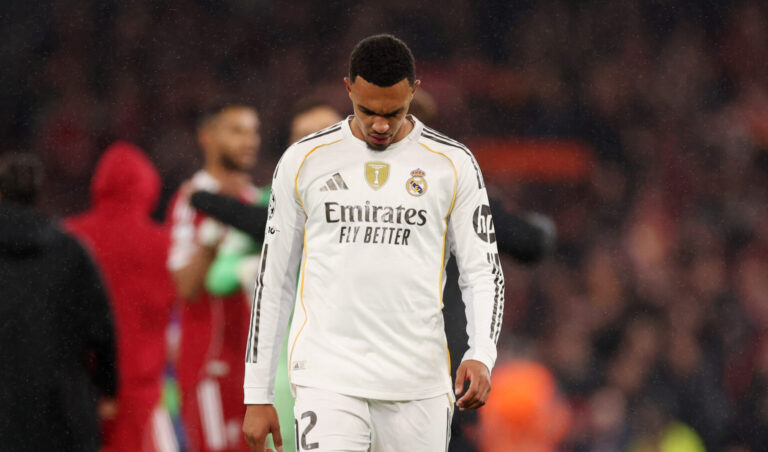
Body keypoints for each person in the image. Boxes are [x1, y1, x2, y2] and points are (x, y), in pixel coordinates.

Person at [242, 34, 504, 452]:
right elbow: (274, 280)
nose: (380, 125)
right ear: (348, 89)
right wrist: (258, 392)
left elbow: (483, 271)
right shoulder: (303, 160)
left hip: (419, 385)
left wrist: (482, 352)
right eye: (366, 111)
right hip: (327, 378)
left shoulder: (452, 165)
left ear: (414, 93)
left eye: (394, 112)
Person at [167, 103, 269, 451]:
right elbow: (186, 287)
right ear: (207, 137)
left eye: (253, 131)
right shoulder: (190, 201)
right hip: (208, 369)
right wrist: (212, 237)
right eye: (237, 131)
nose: (249, 141)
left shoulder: (256, 203)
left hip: (257, 374)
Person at [0, 152, 117, 452]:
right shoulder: (71, 252)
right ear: (39, 193)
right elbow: (101, 327)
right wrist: (108, 386)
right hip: (62, 412)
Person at [66, 142, 179, 452]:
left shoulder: (67, 238)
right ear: (148, 186)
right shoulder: (163, 245)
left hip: (80, 396)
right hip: (140, 400)